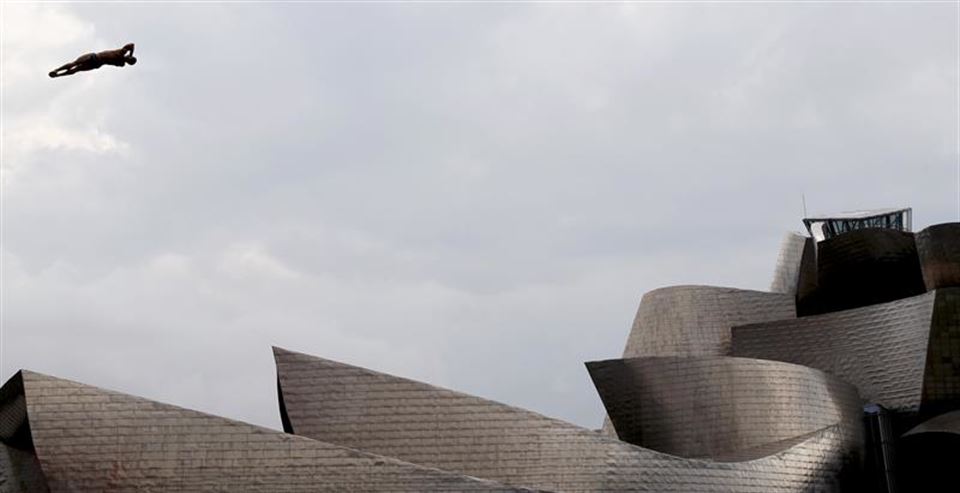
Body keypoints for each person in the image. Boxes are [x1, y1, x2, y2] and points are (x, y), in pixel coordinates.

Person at [49, 43, 136, 78]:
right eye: (129, 58)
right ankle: (56, 71)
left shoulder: (121, 56)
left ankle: (58, 74)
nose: (128, 58)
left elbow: (131, 45)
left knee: (77, 68)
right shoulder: (121, 56)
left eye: (129, 60)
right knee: (75, 64)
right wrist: (131, 55)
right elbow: (132, 45)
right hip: (94, 57)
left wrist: (130, 55)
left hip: (96, 62)